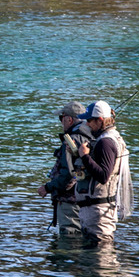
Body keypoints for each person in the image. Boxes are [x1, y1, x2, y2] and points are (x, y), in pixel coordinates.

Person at [76, 100, 131, 248]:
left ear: (100, 120)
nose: (87, 124)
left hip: (99, 214)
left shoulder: (105, 142)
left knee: (99, 259)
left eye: (89, 120)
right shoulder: (112, 138)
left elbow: (103, 176)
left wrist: (85, 156)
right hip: (99, 211)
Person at [38, 101, 94, 236]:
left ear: (69, 119)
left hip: (70, 201)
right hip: (87, 198)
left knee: (70, 238)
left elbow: (68, 174)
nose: (61, 122)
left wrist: (48, 187)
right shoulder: (92, 136)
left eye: (61, 118)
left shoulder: (71, 140)